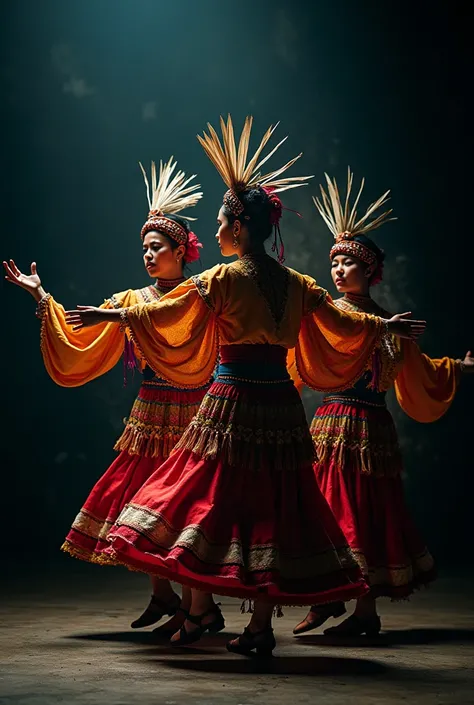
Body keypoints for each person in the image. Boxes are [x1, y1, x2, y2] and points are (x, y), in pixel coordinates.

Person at [62, 116, 426, 657]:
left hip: (231, 401)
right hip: (278, 402)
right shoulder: (296, 280)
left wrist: (115, 319)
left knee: (206, 497)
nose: (212, 234)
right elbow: (340, 319)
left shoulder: (223, 278)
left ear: (238, 226)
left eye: (218, 223)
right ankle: (254, 624)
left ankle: (200, 608)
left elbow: (169, 310)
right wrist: (382, 326)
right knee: (274, 503)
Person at [3, 157, 215, 633]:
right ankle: (165, 597)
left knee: (184, 509)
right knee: (135, 503)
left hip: (197, 415)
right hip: (151, 415)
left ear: (182, 252)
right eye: (143, 248)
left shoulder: (202, 297)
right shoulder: (131, 301)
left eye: (157, 247)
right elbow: (81, 336)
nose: (147, 255)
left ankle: (196, 607)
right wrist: (41, 297)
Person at [292, 170, 473, 637]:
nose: (337, 271)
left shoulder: (390, 324)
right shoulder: (338, 315)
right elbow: (314, 337)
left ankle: (363, 611)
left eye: (348, 264)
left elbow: (421, 368)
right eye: (334, 263)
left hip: (370, 430)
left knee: (363, 515)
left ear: (370, 271)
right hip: (332, 424)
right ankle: (330, 597)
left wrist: (458, 367)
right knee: (330, 509)